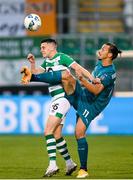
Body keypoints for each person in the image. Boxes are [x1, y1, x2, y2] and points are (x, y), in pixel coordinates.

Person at [21, 42, 121, 178]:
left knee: (78, 132)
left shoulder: (109, 73)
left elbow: (97, 90)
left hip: (93, 104)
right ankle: (69, 163)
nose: (100, 50)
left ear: (109, 55)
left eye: (103, 49)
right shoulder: (99, 63)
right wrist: (88, 79)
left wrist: (84, 80)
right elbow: (86, 76)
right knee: (67, 77)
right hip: (84, 94)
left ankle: (83, 169)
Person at [24, 38, 94, 177]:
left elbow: (78, 68)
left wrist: (92, 78)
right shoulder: (47, 62)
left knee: (47, 131)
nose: (41, 50)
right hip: (56, 98)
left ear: (52, 47)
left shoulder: (62, 57)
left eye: (43, 47)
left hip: (63, 97)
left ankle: (52, 164)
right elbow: (37, 73)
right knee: (56, 135)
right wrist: (32, 63)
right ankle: (69, 163)